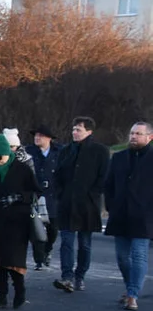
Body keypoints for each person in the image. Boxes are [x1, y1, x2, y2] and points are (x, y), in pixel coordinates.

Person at [53, 116, 110, 293]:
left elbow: (104, 176)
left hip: (88, 204)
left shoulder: (99, 151)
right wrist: (60, 194)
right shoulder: (66, 150)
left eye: (79, 129)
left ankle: (80, 276)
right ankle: (67, 276)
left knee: (85, 243)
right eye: (74, 129)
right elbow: (58, 175)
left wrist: (93, 195)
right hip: (68, 202)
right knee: (66, 241)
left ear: (89, 131)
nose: (75, 132)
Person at [0, 134, 39, 309]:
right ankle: (1, 296)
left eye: (0, 157)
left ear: (8, 153)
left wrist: (19, 197)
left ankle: (20, 292)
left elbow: (36, 192)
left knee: (14, 262)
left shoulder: (22, 170)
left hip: (18, 223)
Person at [104, 122, 153, 311]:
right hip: (120, 214)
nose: (133, 137)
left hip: (144, 217)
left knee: (139, 255)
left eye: (138, 134)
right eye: (132, 133)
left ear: (149, 137)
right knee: (122, 258)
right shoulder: (119, 158)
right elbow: (109, 185)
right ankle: (130, 286)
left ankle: (133, 294)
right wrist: (111, 206)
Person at [26, 125, 61, 271]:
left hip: (53, 195)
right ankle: (39, 259)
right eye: (35, 135)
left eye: (40, 135)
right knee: (36, 226)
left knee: (53, 228)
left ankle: (47, 249)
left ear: (49, 138)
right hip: (35, 194)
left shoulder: (59, 151)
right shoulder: (29, 151)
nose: (37, 138)